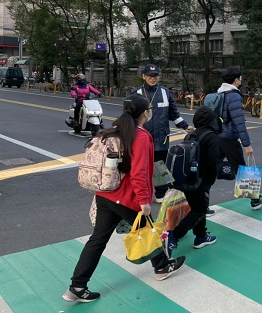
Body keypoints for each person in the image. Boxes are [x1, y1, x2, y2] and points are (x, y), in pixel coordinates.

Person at [62, 95, 186, 303]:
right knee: (147, 230)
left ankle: (77, 286)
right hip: (127, 197)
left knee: (98, 240)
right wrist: (144, 200)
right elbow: (139, 172)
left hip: (105, 194)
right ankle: (162, 265)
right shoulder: (141, 136)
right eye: (150, 108)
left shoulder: (114, 130)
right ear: (145, 112)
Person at [132, 64, 193, 202]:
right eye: (149, 76)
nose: (152, 79)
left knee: (160, 165)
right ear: (144, 76)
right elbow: (129, 114)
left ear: (159, 77)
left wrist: (185, 126)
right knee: (141, 165)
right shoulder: (136, 93)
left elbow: (174, 113)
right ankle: (140, 193)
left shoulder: (165, 92)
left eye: (155, 76)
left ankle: (160, 194)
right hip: (141, 136)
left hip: (161, 137)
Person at [164, 106, 220, 258]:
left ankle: (201, 236)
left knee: (197, 206)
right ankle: (173, 236)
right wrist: (209, 182)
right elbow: (212, 163)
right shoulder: (211, 136)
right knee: (199, 210)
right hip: (200, 181)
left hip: (186, 179)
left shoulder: (191, 134)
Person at [217, 67, 262, 210]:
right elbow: (239, 122)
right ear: (236, 80)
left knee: (209, 169)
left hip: (217, 137)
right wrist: (246, 144)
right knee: (242, 170)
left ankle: (198, 203)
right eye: (240, 78)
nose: (241, 80)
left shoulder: (219, 93)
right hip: (229, 138)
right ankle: (255, 201)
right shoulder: (234, 96)